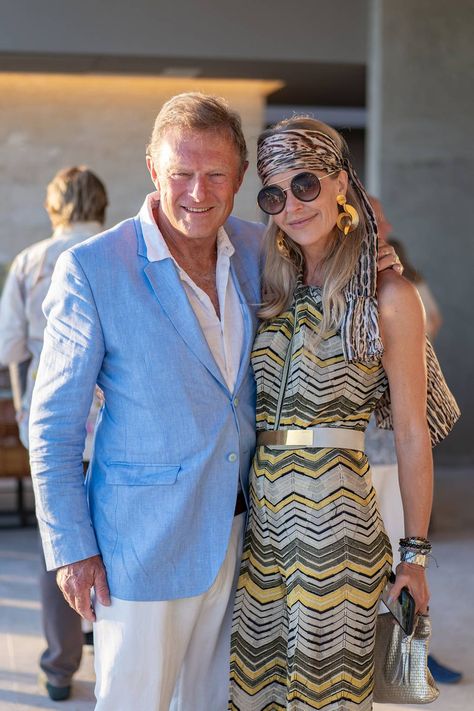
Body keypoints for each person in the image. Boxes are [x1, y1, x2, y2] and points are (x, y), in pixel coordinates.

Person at [28, 94, 401, 710]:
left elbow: (332, 267)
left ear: (241, 178)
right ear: (153, 168)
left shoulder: (262, 251)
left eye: (216, 175)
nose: (197, 192)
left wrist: (371, 260)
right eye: (181, 173)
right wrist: (72, 550)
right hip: (139, 553)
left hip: (247, 543)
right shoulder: (91, 269)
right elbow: (53, 427)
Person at [229, 117, 436, 711]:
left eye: (306, 185)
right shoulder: (271, 281)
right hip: (262, 529)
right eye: (274, 193)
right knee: (256, 693)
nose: (291, 205)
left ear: (341, 182)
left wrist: (414, 557)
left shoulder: (387, 294)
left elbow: (414, 434)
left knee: (329, 696)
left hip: (337, 527)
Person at [0, 166, 107, 701]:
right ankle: (113, 652)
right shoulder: (116, 247)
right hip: (111, 420)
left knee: (60, 541)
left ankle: (59, 666)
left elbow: (9, 348)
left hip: (52, 418)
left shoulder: (29, 262)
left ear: (52, 206)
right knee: (116, 535)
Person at [367, 197, 462, 686]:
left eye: (386, 217)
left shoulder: (399, 278)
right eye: (376, 218)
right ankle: (400, 653)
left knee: (410, 560)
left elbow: (430, 325)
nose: (386, 225)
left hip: (395, 449)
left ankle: (412, 654)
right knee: (379, 570)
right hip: (360, 459)